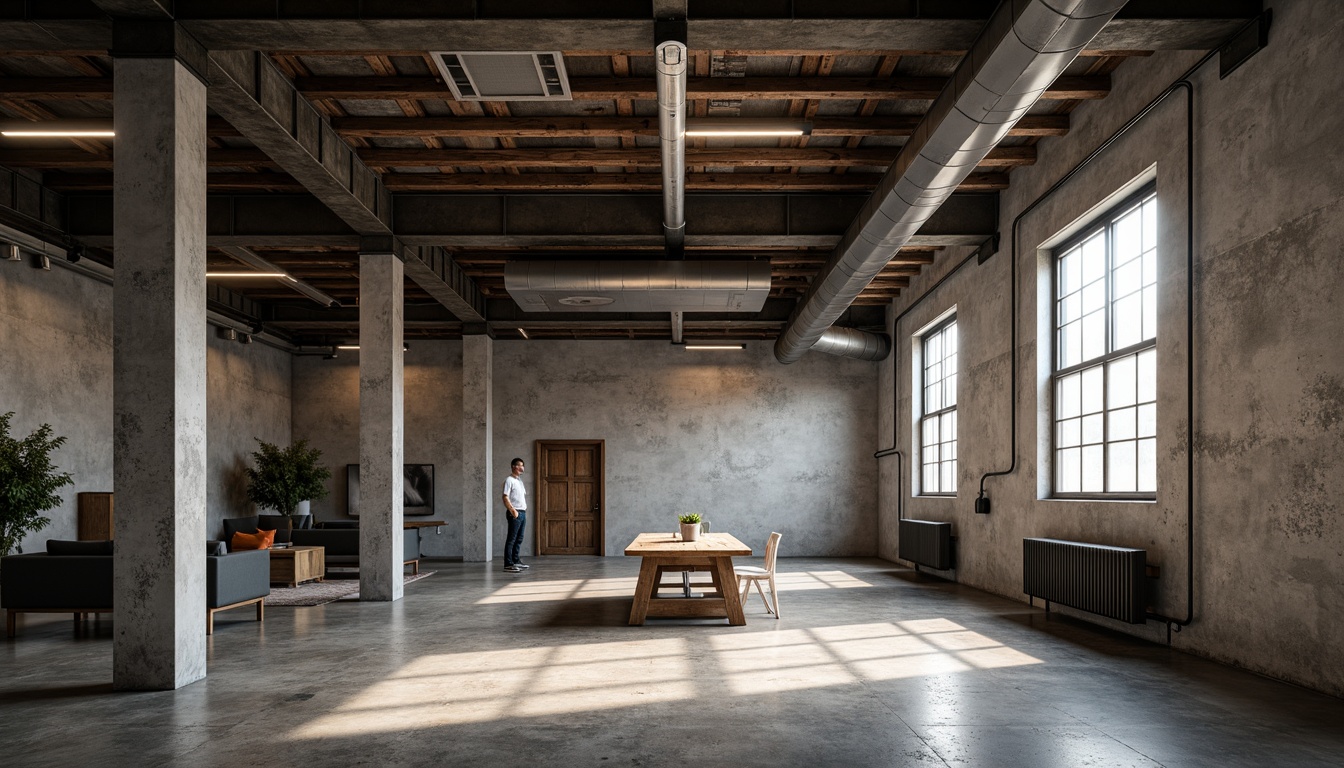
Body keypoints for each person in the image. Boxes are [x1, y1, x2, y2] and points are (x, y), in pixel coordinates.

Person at [502, 457, 529, 572]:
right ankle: (508, 564)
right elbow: (505, 496)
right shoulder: (509, 480)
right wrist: (513, 511)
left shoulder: (519, 481)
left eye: (523, 465)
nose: (522, 468)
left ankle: (516, 560)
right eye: (520, 465)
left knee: (519, 539)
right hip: (515, 513)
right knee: (511, 539)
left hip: (522, 513)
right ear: (514, 466)